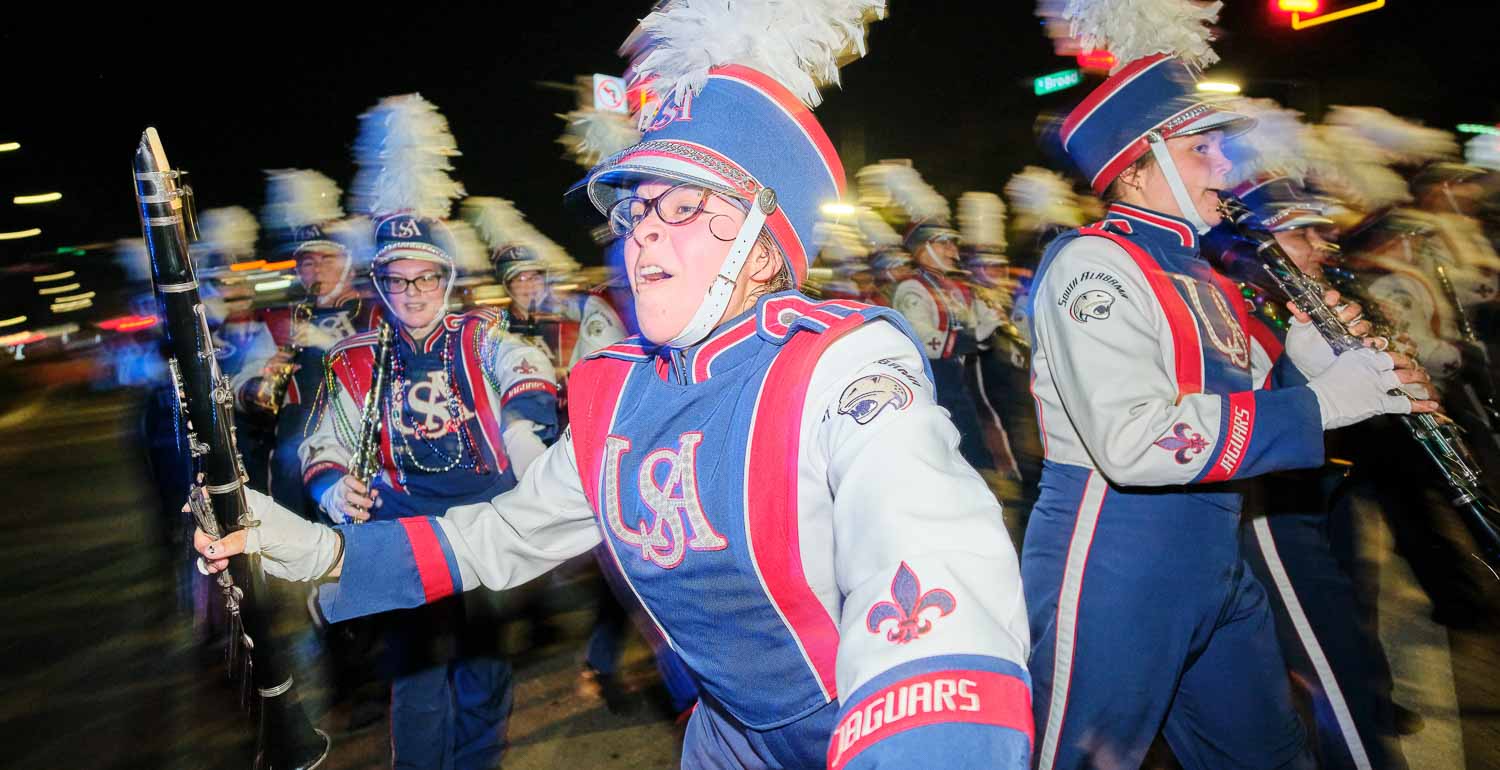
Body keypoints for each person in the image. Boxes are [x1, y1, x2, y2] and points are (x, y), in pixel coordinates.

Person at [198, 3, 1034, 768]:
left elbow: (934, 563)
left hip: (857, 733)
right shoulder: (615, 393)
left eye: (685, 209)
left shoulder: (838, 365)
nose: (642, 237)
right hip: (720, 738)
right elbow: (495, 537)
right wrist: (319, 549)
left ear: (766, 250)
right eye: (637, 211)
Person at [1023, 4, 1436, 766]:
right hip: (1116, 555)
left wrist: (1310, 361)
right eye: (1201, 148)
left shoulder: (1205, 274)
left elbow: (1236, 405)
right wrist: (1322, 400)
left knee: (1268, 755)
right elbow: (1138, 439)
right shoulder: (1093, 265)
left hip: (1215, 551)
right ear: (1137, 162)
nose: (1226, 166)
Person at [301, 94, 560, 770]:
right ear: (380, 282)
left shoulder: (482, 336)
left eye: (426, 278)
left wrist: (525, 430)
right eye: (398, 279)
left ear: (446, 281)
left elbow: (528, 366)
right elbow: (325, 437)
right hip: (405, 531)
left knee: (486, 673)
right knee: (416, 679)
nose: (413, 292)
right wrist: (332, 487)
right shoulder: (354, 357)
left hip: (486, 524)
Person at [236, 170, 378, 519]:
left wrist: (330, 344)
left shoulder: (375, 313)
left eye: (327, 259)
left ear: (348, 263)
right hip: (293, 446)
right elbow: (245, 378)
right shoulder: (280, 319)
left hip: (360, 440)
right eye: (307, 262)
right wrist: (258, 386)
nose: (317, 271)